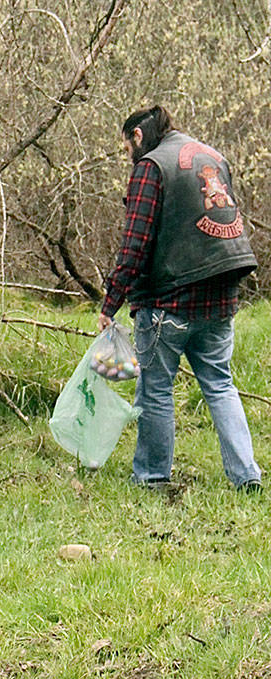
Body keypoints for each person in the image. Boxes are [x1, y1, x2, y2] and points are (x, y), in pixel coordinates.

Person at [97, 105, 260, 491]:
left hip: (168, 303)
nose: (129, 158)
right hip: (221, 298)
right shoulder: (213, 157)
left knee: (155, 388)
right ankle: (247, 474)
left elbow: (135, 244)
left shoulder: (151, 166)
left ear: (137, 137)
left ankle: (153, 477)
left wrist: (111, 302)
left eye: (126, 149)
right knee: (220, 384)